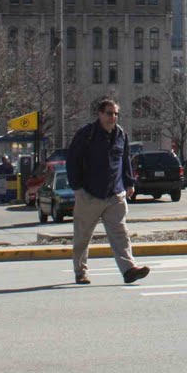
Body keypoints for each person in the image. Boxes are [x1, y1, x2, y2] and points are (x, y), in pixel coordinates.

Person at [64, 98, 149, 286]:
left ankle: (129, 270)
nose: (113, 117)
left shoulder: (121, 135)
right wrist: (77, 187)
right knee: (82, 237)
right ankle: (80, 272)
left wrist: (129, 183)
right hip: (89, 194)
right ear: (100, 114)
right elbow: (72, 161)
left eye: (116, 113)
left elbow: (125, 160)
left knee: (121, 234)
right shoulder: (86, 134)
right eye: (109, 113)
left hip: (115, 195)